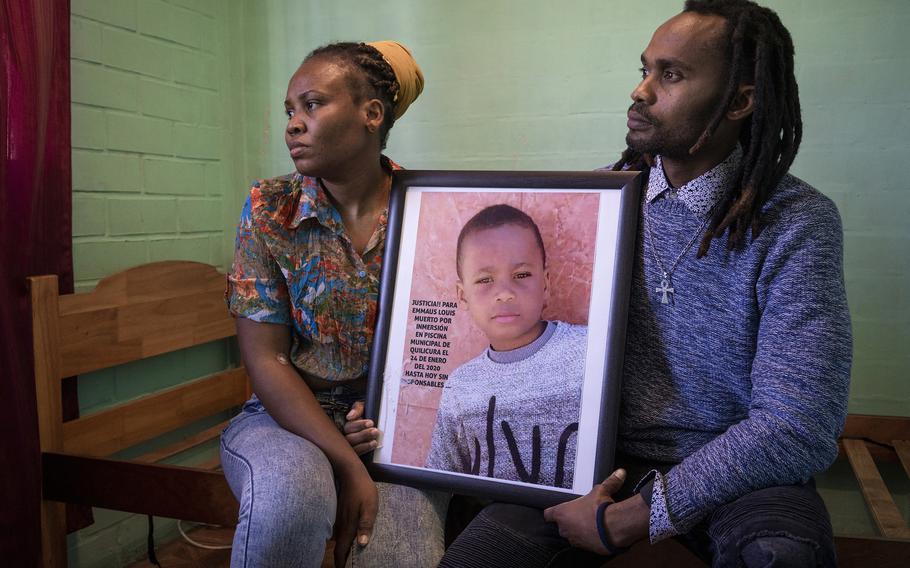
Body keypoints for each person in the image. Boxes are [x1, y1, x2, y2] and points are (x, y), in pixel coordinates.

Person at [439, 1, 851, 566]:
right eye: (645, 69)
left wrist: (639, 515)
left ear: (739, 100)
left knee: (785, 558)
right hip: (600, 464)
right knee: (478, 557)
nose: (641, 90)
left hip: (742, 475)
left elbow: (798, 425)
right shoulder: (604, 203)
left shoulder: (796, 222)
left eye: (671, 74)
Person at [221, 41, 447, 568]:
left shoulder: (432, 209)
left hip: (394, 423)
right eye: (289, 112)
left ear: (371, 114)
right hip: (286, 415)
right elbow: (267, 359)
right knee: (291, 501)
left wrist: (379, 423)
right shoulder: (269, 210)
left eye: (312, 104)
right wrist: (348, 465)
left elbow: (442, 344)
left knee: (395, 556)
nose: (293, 124)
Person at [424, 204, 587, 489]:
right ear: (463, 297)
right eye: (485, 280)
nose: (504, 293)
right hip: (493, 523)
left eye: (522, 275)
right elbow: (438, 481)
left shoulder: (588, 352)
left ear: (546, 284)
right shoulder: (460, 387)